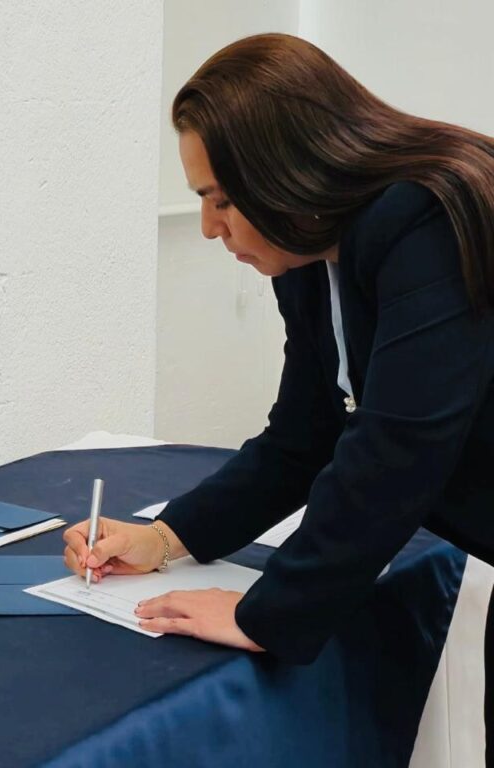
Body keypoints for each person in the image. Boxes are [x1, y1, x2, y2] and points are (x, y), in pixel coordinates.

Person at [64, 33, 494, 684]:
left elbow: (399, 445)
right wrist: (165, 538)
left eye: (222, 200)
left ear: (289, 172)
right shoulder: (309, 258)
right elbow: (304, 435)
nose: (209, 227)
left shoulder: (422, 218)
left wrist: (269, 614)